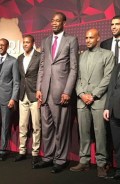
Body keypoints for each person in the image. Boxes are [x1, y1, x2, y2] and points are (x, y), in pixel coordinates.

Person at [34, 12, 79, 173]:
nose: (54, 23)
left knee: (61, 128)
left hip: (61, 92)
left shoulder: (71, 40)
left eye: (57, 21)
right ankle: (48, 157)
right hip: (45, 91)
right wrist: (39, 88)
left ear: (64, 23)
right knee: (46, 128)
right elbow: (42, 67)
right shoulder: (45, 41)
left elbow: (74, 68)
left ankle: (60, 160)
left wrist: (68, 91)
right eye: (52, 20)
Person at [70, 29, 114, 177]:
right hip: (82, 101)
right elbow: (77, 78)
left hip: (98, 100)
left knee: (100, 133)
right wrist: (82, 94)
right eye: (86, 38)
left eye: (91, 38)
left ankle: (102, 163)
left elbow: (108, 78)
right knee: (83, 132)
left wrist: (93, 95)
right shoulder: (80, 57)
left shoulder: (108, 55)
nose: (88, 40)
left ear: (98, 38)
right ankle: (84, 160)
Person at [14, 35, 41, 167]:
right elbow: (20, 77)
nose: (25, 44)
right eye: (24, 42)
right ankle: (22, 151)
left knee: (36, 126)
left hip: (35, 95)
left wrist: (39, 91)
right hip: (22, 95)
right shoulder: (19, 58)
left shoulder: (39, 56)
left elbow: (42, 76)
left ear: (33, 43)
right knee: (23, 125)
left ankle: (35, 153)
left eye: (28, 42)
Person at [103, 66, 120, 180]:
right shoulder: (117, 66)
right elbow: (111, 88)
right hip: (114, 110)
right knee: (117, 144)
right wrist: (107, 107)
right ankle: (119, 169)